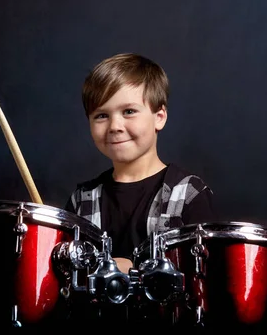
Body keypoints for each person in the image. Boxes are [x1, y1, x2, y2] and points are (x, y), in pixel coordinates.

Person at [64, 52, 215, 274]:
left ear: (159, 117)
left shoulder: (189, 194)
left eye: (129, 111)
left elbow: (202, 279)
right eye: (101, 116)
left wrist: (135, 269)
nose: (115, 125)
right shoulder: (81, 200)